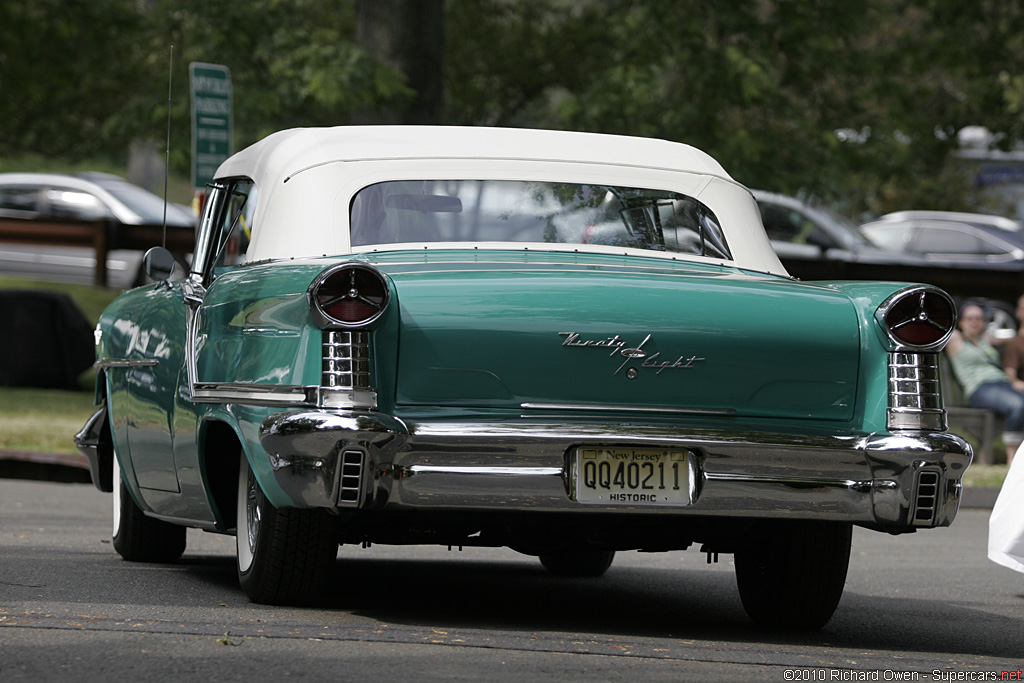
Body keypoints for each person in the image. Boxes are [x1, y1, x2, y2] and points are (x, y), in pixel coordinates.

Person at [946, 302, 1021, 465]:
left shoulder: (985, 339)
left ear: (984, 322)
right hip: (980, 389)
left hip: (1003, 384)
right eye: (970, 318)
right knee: (1018, 406)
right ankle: (1012, 458)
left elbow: (1011, 336)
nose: (975, 322)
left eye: (979, 319)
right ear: (962, 322)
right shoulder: (956, 339)